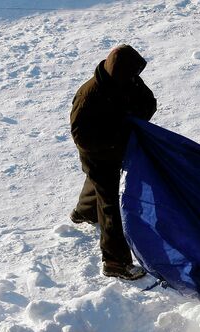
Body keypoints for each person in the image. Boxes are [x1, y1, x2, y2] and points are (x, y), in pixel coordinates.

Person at [69, 44, 157, 280]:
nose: (136, 79)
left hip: (117, 149)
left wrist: (134, 122)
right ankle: (115, 262)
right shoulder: (89, 97)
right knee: (111, 205)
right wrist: (119, 138)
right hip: (98, 154)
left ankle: (84, 212)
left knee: (96, 184)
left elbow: (148, 102)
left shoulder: (127, 79)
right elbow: (82, 137)